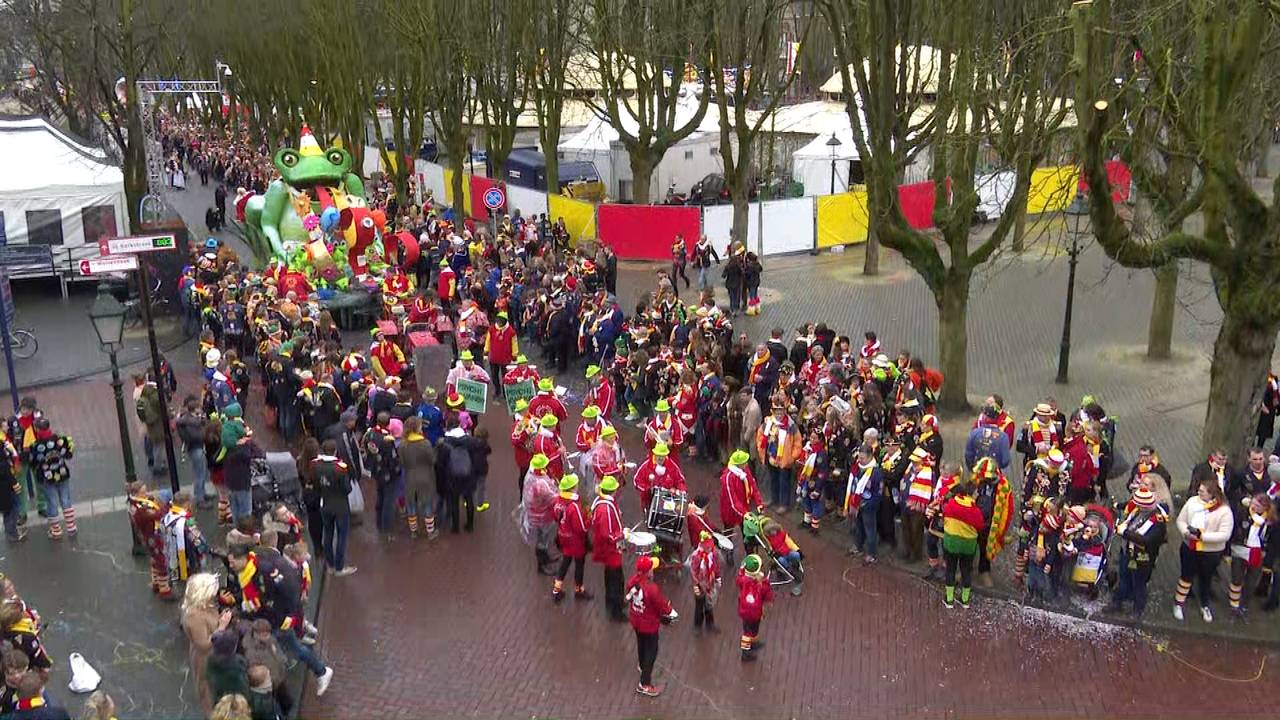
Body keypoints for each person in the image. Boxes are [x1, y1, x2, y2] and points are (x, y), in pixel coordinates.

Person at [226, 545, 334, 695]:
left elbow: (264, 601)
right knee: (292, 646)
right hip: (272, 619)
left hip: (276, 621)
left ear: (243, 558)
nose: (230, 566)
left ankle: (321, 671)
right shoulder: (249, 570)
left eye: (233, 562)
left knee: (296, 648)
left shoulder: (260, 574)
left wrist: (244, 610)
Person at [1173, 478, 1233, 622]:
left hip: (1210, 552)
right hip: (1189, 547)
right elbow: (1181, 520)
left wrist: (1202, 537)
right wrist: (1185, 532)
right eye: (1199, 490)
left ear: (1212, 494)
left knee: (1206, 578)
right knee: (1186, 576)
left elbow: (1225, 535)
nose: (1199, 493)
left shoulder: (1224, 511)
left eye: (1202, 491)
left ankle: (1205, 605)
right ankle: (1178, 603)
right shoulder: (1192, 502)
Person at [1106, 486, 1168, 619]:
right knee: (1124, 578)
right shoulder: (1137, 511)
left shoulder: (1158, 521)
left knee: (1139, 584)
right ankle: (1117, 602)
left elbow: (1147, 541)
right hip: (1127, 552)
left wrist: (1125, 533)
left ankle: (1138, 609)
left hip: (1142, 558)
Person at [626, 556, 678, 696]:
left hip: (636, 620)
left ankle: (642, 665)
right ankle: (644, 684)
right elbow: (661, 605)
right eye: (651, 568)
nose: (652, 570)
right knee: (651, 651)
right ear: (647, 571)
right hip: (648, 625)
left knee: (641, 644)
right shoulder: (651, 588)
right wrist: (671, 611)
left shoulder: (632, 582)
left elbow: (629, 597)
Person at [181, 574, 232, 716]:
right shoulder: (194, 616)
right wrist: (221, 627)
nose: (215, 594)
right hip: (205, 658)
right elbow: (203, 645)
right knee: (207, 690)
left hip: (217, 654)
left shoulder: (207, 606)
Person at [1227, 493, 1274, 619]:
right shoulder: (1242, 513)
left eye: (1258, 505)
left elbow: (1271, 539)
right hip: (1240, 549)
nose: (1253, 506)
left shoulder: (1269, 521)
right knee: (1236, 579)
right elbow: (1233, 530)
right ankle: (1234, 606)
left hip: (1257, 553)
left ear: (1265, 508)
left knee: (1251, 582)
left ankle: (1243, 606)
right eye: (1253, 503)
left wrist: (1266, 552)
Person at [940, 482, 986, 609]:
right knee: (966, 571)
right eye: (976, 493)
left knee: (950, 570)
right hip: (968, 546)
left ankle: (949, 599)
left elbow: (944, 516)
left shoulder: (951, 504)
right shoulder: (975, 511)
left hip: (951, 543)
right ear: (972, 494)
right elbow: (980, 526)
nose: (977, 495)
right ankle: (965, 600)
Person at [314, 440, 356, 576]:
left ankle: (330, 564)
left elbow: (316, 484)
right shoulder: (340, 468)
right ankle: (339, 567)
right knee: (342, 536)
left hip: (325, 503)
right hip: (340, 506)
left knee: (328, 533)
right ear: (335, 451)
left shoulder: (316, 466)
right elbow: (347, 489)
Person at [28, 420, 74, 540]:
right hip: (62, 474)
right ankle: (71, 527)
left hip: (47, 478)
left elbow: (32, 463)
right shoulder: (59, 440)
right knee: (66, 500)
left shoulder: (35, 446)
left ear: (37, 429)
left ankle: (56, 531)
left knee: (52, 503)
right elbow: (69, 455)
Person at [551, 474, 593, 603]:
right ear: (573, 488)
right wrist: (589, 520)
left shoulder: (557, 501)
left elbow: (555, 517)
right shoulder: (574, 506)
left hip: (563, 536)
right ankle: (579, 589)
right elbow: (581, 527)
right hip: (576, 541)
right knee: (579, 564)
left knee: (565, 562)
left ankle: (556, 589)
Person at [401, 416, 438, 539]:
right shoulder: (425, 444)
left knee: (411, 505)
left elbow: (402, 463)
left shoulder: (403, 444)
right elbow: (432, 460)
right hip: (425, 477)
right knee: (427, 504)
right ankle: (430, 531)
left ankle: (413, 530)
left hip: (410, 477)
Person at [846, 443, 884, 564]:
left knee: (870, 530)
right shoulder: (857, 468)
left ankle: (872, 554)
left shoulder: (876, 472)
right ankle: (858, 546)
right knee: (858, 527)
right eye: (859, 457)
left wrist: (867, 503)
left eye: (862, 458)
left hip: (868, 506)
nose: (860, 460)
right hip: (856, 504)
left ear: (870, 457)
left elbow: (878, 493)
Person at [522, 454, 559, 575]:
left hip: (537, 515)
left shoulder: (532, 476)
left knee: (543, 539)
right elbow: (551, 498)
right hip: (540, 517)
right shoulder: (539, 484)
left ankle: (545, 558)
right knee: (541, 540)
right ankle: (541, 566)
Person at [736, 554, 774, 662]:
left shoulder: (743, 580)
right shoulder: (762, 584)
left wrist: (742, 569)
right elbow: (768, 596)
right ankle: (745, 653)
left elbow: (739, 578)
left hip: (744, 611)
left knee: (748, 630)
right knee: (751, 630)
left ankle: (751, 644)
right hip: (756, 612)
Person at [176, 395, 211, 507]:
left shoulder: (188, 420)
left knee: (201, 472)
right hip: (196, 448)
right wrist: (204, 431)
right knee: (199, 474)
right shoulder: (191, 423)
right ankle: (200, 498)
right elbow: (196, 436)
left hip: (195, 448)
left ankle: (202, 493)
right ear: (195, 409)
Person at [205, 630, 249, 706]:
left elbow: (208, 678)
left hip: (219, 699)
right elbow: (243, 686)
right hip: (237, 700)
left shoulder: (210, 659)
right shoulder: (238, 663)